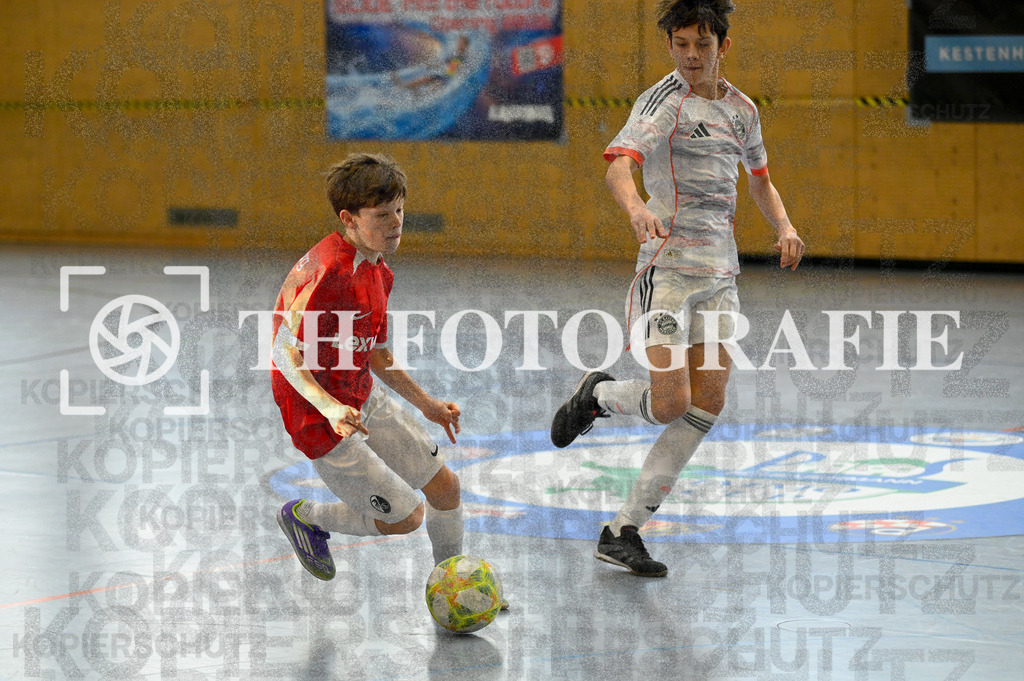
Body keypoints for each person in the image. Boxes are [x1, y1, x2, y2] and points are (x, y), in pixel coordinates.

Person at [550, 0, 804, 577]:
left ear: (723, 47)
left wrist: (784, 226)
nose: (691, 56)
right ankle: (600, 396)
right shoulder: (663, 102)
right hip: (666, 274)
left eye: (702, 46)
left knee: (706, 403)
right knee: (669, 404)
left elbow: (760, 181)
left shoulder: (741, 110)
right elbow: (618, 165)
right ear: (670, 45)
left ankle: (623, 530)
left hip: (721, 278)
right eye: (681, 44)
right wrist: (637, 208)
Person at [271, 153, 466, 582]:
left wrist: (427, 404)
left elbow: (375, 350)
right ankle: (307, 516)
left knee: (446, 488)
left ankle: (453, 583)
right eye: (382, 215)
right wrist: (329, 408)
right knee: (406, 517)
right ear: (350, 218)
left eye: (399, 210)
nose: (396, 223)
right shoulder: (326, 273)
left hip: (359, 393)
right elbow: (283, 352)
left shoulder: (379, 271)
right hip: (317, 416)